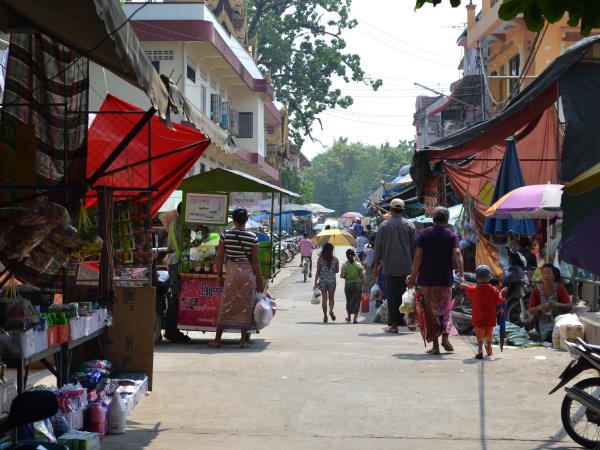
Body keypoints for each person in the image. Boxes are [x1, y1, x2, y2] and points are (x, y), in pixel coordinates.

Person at [407, 206, 464, 354]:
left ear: (433, 219)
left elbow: (418, 256)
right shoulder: (451, 235)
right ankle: (445, 336)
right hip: (445, 279)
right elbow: (457, 253)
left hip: (427, 280)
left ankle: (436, 346)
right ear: (446, 219)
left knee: (430, 313)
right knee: (445, 310)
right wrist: (462, 275)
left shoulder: (424, 234)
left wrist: (413, 277)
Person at [209, 208, 264, 349]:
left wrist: (219, 276)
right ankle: (243, 341)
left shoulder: (225, 235)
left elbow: (220, 257)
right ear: (246, 220)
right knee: (246, 306)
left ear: (233, 220)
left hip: (232, 274)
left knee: (226, 304)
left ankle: (217, 340)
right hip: (247, 275)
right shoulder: (253, 237)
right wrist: (260, 281)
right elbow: (255, 261)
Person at [372, 198, 416, 334]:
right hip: (407, 267)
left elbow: (377, 248)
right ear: (403, 210)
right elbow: (415, 249)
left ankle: (394, 325)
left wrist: (375, 267)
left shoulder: (384, 226)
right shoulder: (410, 225)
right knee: (409, 295)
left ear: (391, 210)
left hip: (390, 267)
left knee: (392, 297)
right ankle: (410, 322)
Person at [462, 265, 504, 359]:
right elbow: (500, 300)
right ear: (489, 277)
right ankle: (489, 347)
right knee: (489, 335)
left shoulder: (474, 289)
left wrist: (465, 286)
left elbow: (468, 291)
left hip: (479, 319)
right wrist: (502, 293)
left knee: (480, 336)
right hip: (490, 319)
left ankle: (480, 349)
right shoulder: (494, 289)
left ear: (477, 278)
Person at [165, 203, 191, 342]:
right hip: (176, 262)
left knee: (176, 295)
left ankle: (173, 329)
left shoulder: (179, 222)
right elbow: (179, 246)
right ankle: (171, 330)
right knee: (175, 295)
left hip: (175, 261)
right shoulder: (179, 223)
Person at [528, 263, 572, 342]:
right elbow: (531, 310)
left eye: (548, 273)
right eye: (543, 273)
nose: (545, 275)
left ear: (554, 276)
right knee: (550, 337)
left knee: (558, 336)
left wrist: (557, 304)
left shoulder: (560, 288)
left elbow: (569, 306)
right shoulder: (536, 291)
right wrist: (540, 308)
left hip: (559, 322)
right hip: (543, 324)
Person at [314, 243, 339, 323]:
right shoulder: (335, 259)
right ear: (332, 250)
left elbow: (318, 271)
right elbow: (337, 271)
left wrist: (315, 282)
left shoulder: (320, 259)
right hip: (332, 281)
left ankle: (325, 316)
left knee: (324, 299)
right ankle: (331, 310)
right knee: (331, 298)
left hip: (323, 281)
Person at [341, 249, 365, 324]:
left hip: (348, 285)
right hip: (358, 285)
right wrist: (363, 286)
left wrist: (344, 276)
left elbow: (342, 275)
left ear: (346, 256)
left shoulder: (345, 265)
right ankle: (355, 319)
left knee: (349, 301)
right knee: (357, 301)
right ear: (354, 255)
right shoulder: (358, 264)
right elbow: (361, 276)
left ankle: (349, 317)